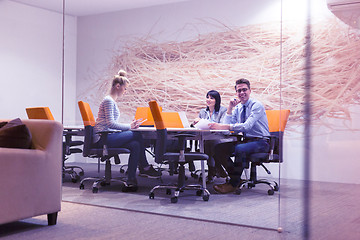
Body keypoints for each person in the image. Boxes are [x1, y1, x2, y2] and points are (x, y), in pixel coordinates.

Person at [94, 70, 161, 191]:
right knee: (137, 135)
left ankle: (131, 181)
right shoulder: (109, 101)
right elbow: (110, 124)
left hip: (109, 136)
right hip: (103, 138)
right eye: (125, 89)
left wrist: (130, 125)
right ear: (118, 86)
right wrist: (130, 126)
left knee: (135, 145)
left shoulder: (111, 101)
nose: (125, 92)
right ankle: (145, 167)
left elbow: (111, 124)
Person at [208, 78, 270, 194]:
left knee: (239, 148)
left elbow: (246, 126)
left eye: (244, 90)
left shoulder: (257, 106)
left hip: (261, 142)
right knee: (218, 148)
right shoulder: (238, 108)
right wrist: (230, 108)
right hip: (246, 141)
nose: (242, 93)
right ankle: (236, 179)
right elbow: (227, 127)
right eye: (239, 90)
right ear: (236, 93)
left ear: (250, 91)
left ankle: (233, 184)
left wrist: (224, 127)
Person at [192, 90, 228, 182]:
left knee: (210, 144)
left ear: (217, 100)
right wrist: (196, 122)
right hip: (206, 138)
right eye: (207, 97)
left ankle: (213, 170)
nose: (208, 100)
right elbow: (199, 127)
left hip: (219, 138)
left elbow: (222, 125)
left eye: (211, 98)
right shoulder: (203, 111)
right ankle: (216, 168)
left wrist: (211, 124)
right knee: (208, 143)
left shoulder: (223, 110)